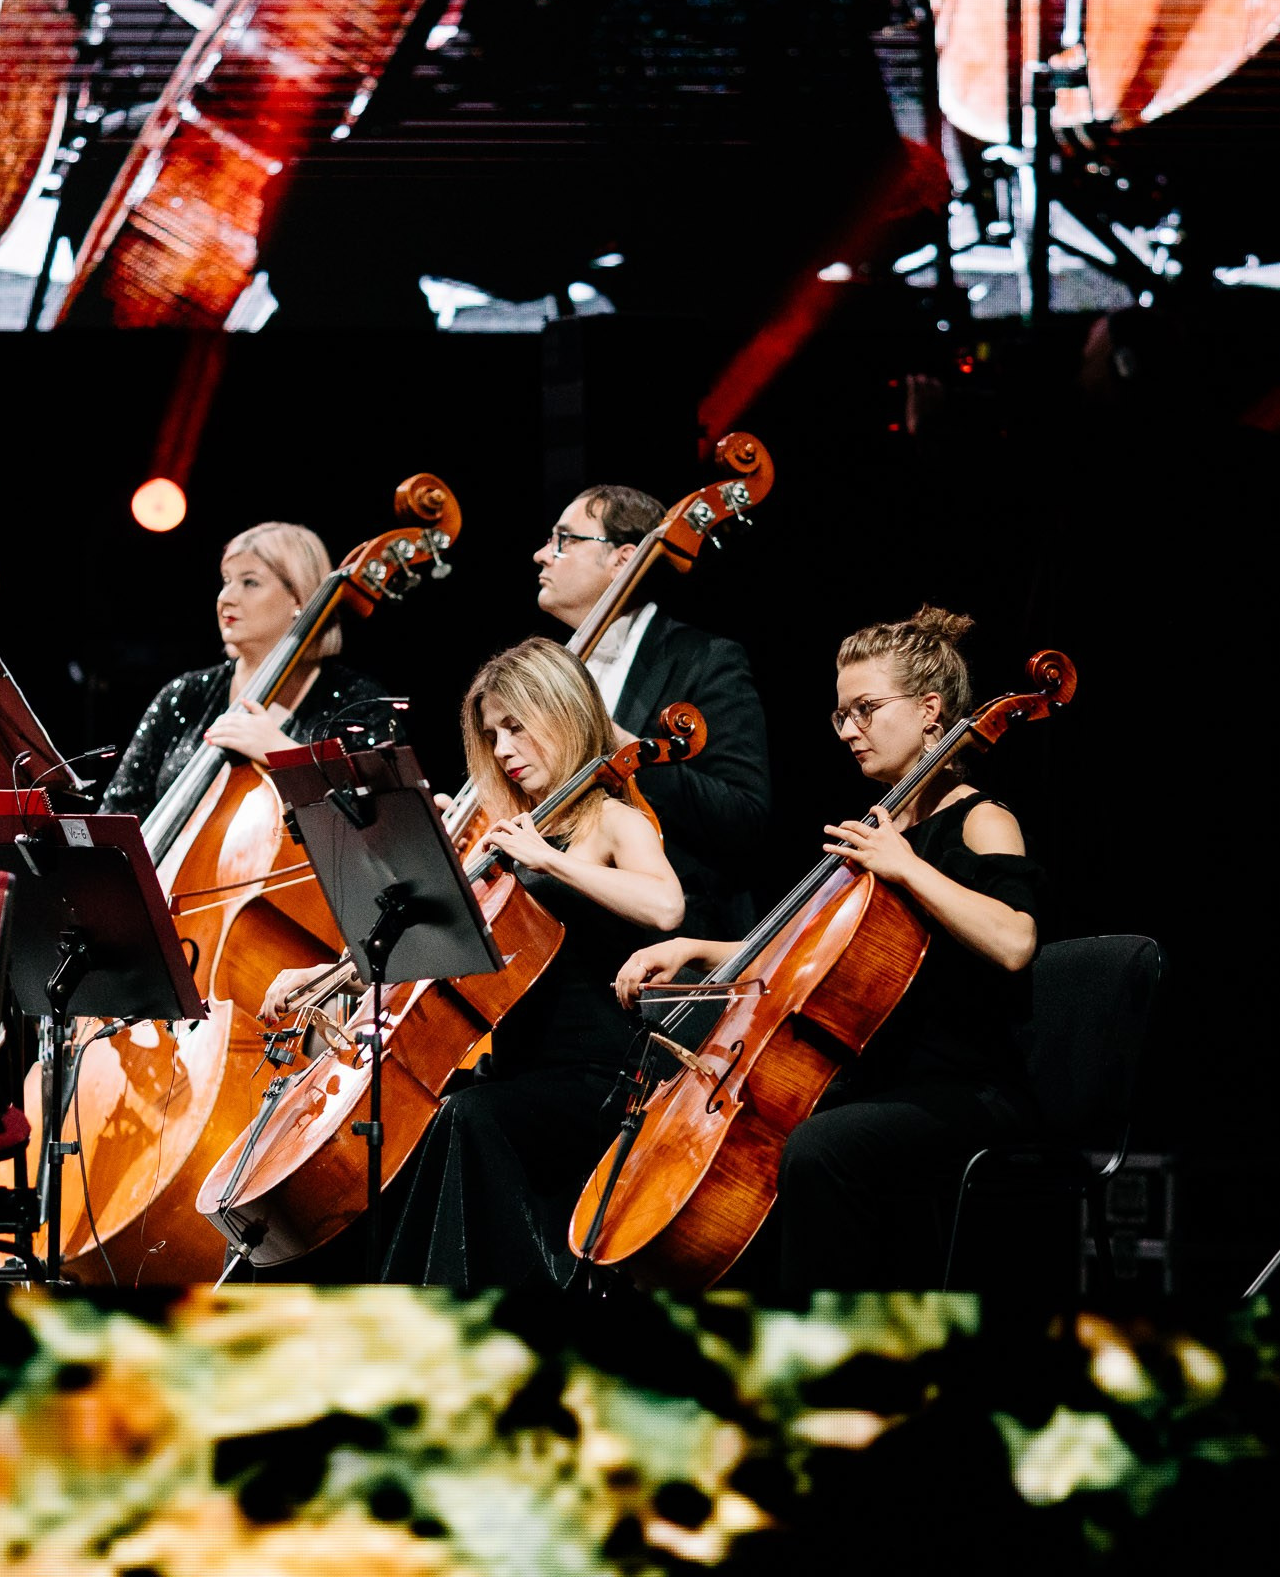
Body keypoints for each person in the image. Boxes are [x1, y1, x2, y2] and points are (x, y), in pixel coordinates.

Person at [613, 605, 1043, 1290]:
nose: (847, 730)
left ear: (931, 711)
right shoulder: (885, 828)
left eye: (865, 709)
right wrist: (695, 948)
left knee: (818, 1147)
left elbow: (1016, 940)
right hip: (880, 1077)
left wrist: (906, 867)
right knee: (758, 1144)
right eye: (841, 715)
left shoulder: (981, 819)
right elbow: (802, 956)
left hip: (967, 1087)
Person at [263, 637, 685, 1289]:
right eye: (492, 735)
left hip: (599, 1077)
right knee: (396, 1128)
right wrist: (324, 976)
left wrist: (550, 860)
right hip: (515, 1069)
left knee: (468, 1118)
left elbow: (665, 906)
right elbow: (429, 936)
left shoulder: (610, 819)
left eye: (517, 726)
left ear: (564, 713)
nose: (504, 749)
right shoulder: (515, 829)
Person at [532, 485, 769, 941]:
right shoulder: (556, 670)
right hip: (564, 929)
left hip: (671, 938)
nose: (542, 555)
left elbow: (744, 818)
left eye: (565, 540)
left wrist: (624, 745)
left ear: (623, 559)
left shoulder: (706, 660)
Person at [102, 522, 400, 815]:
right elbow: (118, 814)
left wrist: (286, 755)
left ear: (298, 598)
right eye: (226, 581)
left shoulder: (358, 704)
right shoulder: (185, 696)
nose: (226, 598)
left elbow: (381, 821)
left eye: (250, 583)